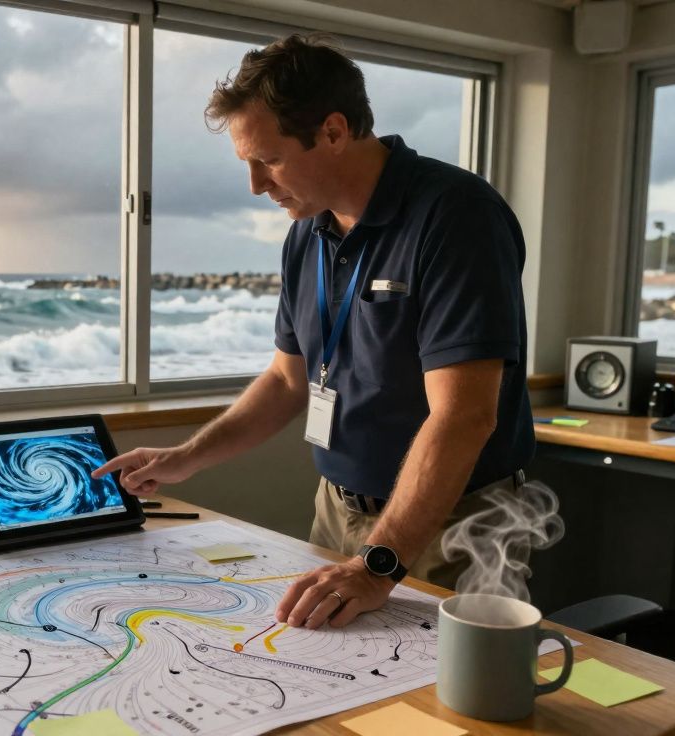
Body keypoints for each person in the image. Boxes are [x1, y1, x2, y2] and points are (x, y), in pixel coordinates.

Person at [93, 33, 534, 631]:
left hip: (451, 524)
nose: (255, 184)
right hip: (336, 510)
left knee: (444, 693)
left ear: (332, 131)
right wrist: (186, 457)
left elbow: (464, 416)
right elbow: (287, 381)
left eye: (268, 160)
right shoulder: (307, 231)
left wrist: (377, 565)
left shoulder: (456, 215)